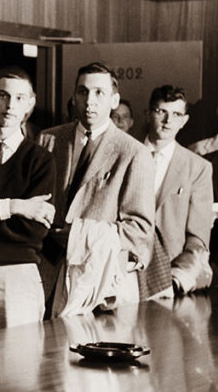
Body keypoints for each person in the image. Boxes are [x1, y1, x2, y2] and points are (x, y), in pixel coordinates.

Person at [37, 62, 154, 315]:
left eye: (99, 93)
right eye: (83, 92)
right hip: (46, 273)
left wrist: (79, 235)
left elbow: (141, 230)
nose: (90, 101)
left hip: (97, 282)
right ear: (74, 97)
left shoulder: (134, 153)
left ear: (114, 100)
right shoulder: (49, 139)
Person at [0, 67, 55, 328]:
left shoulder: (41, 160)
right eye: (3, 95)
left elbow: (33, 231)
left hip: (17, 276)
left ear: (30, 103)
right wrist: (15, 206)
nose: (10, 105)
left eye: (20, 98)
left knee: (16, 365)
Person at [141, 85, 212, 296]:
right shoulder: (126, 155)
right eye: (161, 111)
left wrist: (175, 280)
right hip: (124, 276)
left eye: (176, 114)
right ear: (148, 114)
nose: (167, 120)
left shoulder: (197, 168)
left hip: (171, 280)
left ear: (184, 120)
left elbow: (198, 240)